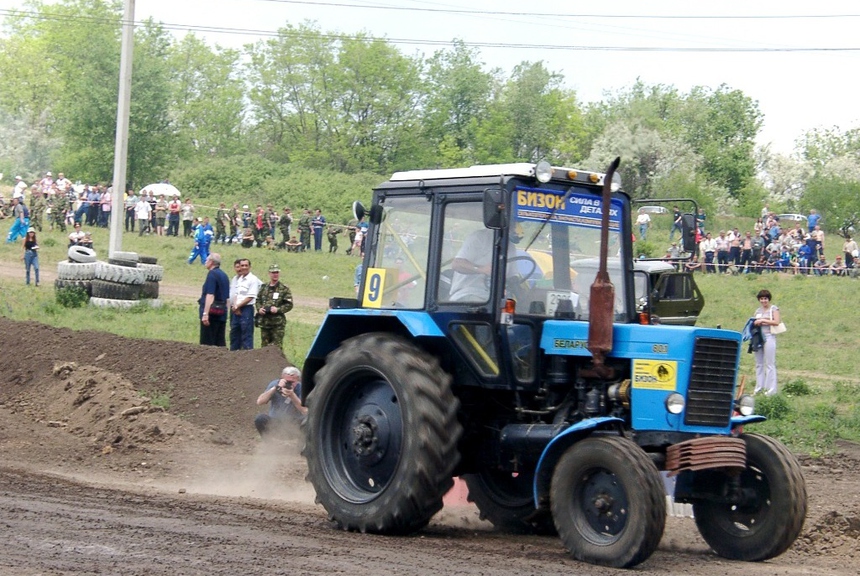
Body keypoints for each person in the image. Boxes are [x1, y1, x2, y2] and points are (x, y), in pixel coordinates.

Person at [254, 366, 307, 437]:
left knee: (308, 421)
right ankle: (268, 443)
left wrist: (292, 395)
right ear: (282, 378)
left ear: (298, 380)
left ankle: (302, 445)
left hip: (295, 423)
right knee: (260, 418)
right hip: (276, 422)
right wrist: (275, 388)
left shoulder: (301, 388)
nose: (289, 384)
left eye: (292, 382)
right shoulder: (275, 384)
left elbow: (305, 411)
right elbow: (260, 402)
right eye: (287, 381)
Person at [255, 264, 294, 349]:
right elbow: (258, 300)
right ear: (269, 273)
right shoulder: (264, 287)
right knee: (264, 348)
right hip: (265, 322)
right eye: (273, 272)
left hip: (277, 324)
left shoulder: (284, 289)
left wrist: (278, 309)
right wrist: (259, 309)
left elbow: (289, 304)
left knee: (276, 348)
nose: (275, 274)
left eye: (277, 272)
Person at [752, 289, 781, 396]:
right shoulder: (758, 311)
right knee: (759, 364)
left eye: (765, 299)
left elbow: (776, 322)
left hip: (769, 336)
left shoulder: (773, 309)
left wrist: (763, 321)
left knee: (770, 363)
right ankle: (759, 388)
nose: (764, 301)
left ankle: (771, 390)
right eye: (762, 299)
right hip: (759, 337)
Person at [199, 253, 230, 347]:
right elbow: (227, 297)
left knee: (207, 342)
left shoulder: (212, 274)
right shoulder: (224, 275)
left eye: (207, 260)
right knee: (219, 341)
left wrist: (205, 314)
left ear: (211, 262)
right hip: (221, 313)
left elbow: (210, 295)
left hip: (212, 314)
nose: (205, 262)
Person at [229, 258, 261, 351]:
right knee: (234, 333)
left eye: (246, 265)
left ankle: (247, 357)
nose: (243, 267)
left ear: (250, 267)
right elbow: (236, 294)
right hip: (236, 309)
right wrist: (235, 306)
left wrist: (238, 306)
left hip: (246, 309)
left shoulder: (253, 279)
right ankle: (233, 355)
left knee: (246, 334)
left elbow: (250, 296)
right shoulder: (239, 279)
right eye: (242, 265)